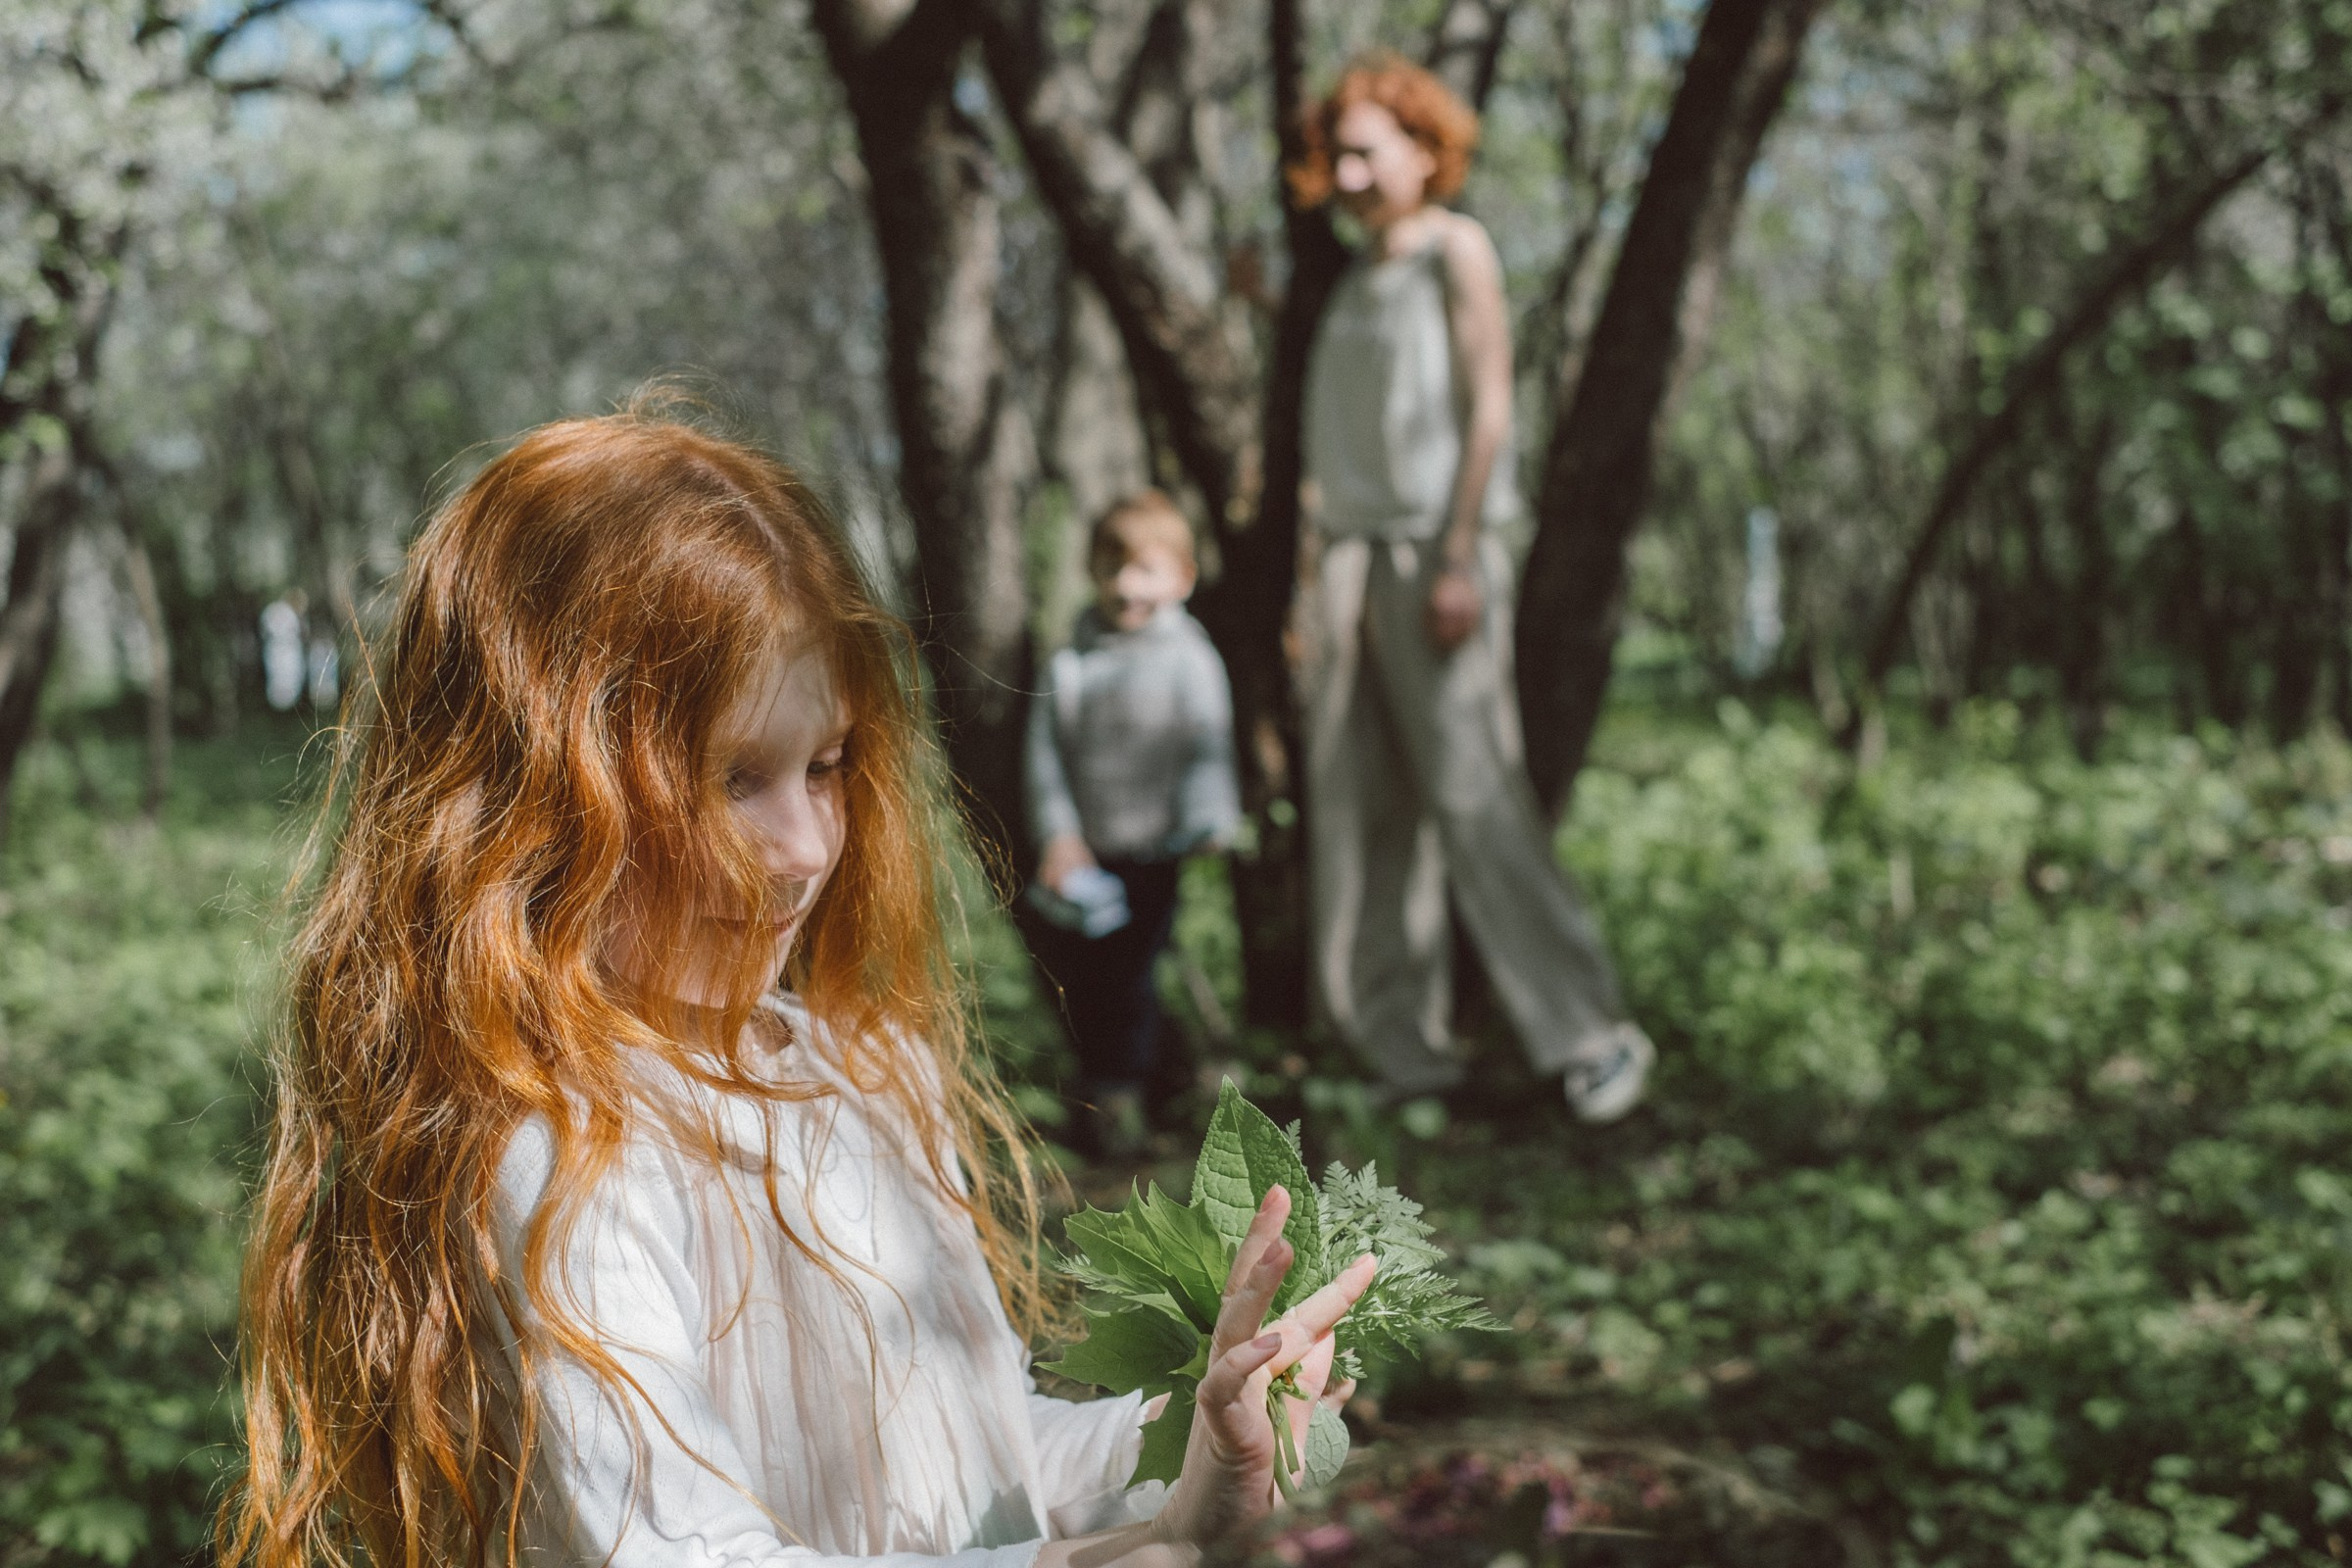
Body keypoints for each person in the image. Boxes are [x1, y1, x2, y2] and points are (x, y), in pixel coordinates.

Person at [220, 410, 1374, 1568]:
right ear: (536, 800)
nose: (804, 847)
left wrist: (1192, 1444)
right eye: (731, 778)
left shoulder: (858, 1068)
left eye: (824, 767)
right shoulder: (561, 1152)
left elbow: (982, 1463)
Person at [1291, 54, 1654, 1122]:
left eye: (1367, 149)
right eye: (1337, 154)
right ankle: (1403, 1052)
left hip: (1432, 549)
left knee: (1473, 791)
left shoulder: (1459, 248)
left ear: (1422, 147)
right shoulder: (1353, 276)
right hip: (1347, 559)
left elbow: (1490, 405)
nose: (1349, 171)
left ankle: (1593, 1033)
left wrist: (1458, 555)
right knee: (1362, 807)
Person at [1026, 492, 1239, 1158]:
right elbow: (1046, 759)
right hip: (1088, 858)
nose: (1125, 585)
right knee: (1088, 981)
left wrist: (1207, 821)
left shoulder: (1190, 659)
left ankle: (1135, 1098)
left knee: (1134, 976)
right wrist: (1059, 834)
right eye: (1110, 566)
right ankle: (1109, 1097)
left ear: (1181, 578)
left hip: (1155, 853)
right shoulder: (1073, 664)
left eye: (1144, 569)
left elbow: (1209, 747)